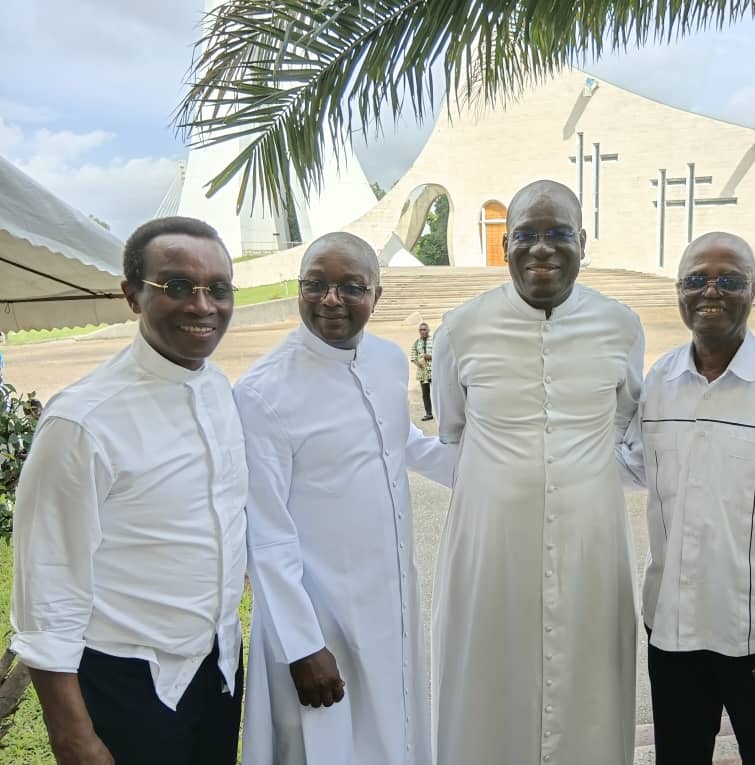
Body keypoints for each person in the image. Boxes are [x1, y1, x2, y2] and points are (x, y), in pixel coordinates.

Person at [10, 216, 247, 765]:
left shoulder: (216, 389)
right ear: (133, 295)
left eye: (218, 288)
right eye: (179, 286)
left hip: (217, 665)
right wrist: (73, 736)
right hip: (126, 681)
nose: (203, 305)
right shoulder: (83, 422)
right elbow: (47, 589)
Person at [430, 179, 645, 765]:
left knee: (590, 692)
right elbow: (453, 430)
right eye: (524, 235)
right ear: (505, 246)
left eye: (558, 235)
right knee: (485, 692)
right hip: (490, 552)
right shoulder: (460, 328)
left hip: (590, 550)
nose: (541, 249)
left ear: (583, 241)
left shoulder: (620, 326)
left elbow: (622, 421)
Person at [236, 232, 455, 765]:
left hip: (389, 599)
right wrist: (301, 645)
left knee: (392, 732)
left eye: (350, 287)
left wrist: (494, 473)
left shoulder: (385, 359)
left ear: (376, 295)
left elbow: (399, 442)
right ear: (299, 289)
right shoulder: (262, 391)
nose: (331, 299)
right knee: (328, 745)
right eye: (316, 285)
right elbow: (263, 531)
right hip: (318, 614)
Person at [618, 232, 755, 765]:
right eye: (696, 279)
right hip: (673, 629)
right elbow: (630, 468)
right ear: (679, 292)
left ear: (753, 291)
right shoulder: (660, 384)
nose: (710, 290)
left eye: (729, 280)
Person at [410, 322, 434, 420]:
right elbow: (413, 357)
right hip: (422, 373)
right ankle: (429, 413)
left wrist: (430, 357)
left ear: (428, 330)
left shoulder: (434, 341)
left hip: (434, 372)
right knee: (425, 394)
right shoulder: (416, 343)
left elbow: (441, 354)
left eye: (424, 329)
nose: (423, 331)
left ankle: (440, 413)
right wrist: (418, 363)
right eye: (421, 330)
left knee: (438, 393)